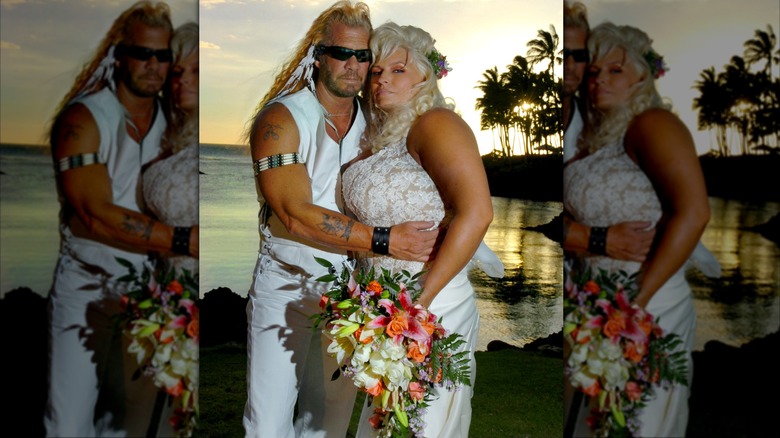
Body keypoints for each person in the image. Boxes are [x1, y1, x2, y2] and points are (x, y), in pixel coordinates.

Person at [244, 2, 440, 437]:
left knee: (329, 416)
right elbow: (295, 214)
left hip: (351, 291)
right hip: (287, 286)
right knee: (268, 417)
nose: (354, 65)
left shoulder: (376, 122)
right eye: (341, 53)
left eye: (363, 55)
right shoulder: (280, 119)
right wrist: (386, 240)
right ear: (318, 55)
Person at [45, 2, 198, 436]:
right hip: (88, 286)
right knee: (70, 417)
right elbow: (94, 213)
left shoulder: (175, 120)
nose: (153, 65)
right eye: (141, 53)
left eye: (162, 55)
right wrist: (186, 241)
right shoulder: (83, 119)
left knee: (129, 419)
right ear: (119, 54)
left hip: (152, 292)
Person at [341, 22, 493, 437]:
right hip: (382, 307)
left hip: (430, 304)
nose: (382, 80)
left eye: (398, 70)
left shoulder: (436, 124)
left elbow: (477, 213)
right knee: (388, 422)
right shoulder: (381, 140)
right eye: (376, 72)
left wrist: (415, 305)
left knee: (421, 425)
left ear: (427, 76)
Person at [563, 21, 710, 437]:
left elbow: (695, 213)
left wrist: (634, 305)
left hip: (647, 303)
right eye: (595, 71)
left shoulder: (653, 123)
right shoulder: (602, 137)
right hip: (599, 300)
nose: (598, 80)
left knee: (638, 423)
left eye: (615, 70)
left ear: (642, 78)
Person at [142, 20, 199, 279]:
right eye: (177, 72)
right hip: (163, 286)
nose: (183, 80)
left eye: (197, 70)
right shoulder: (166, 138)